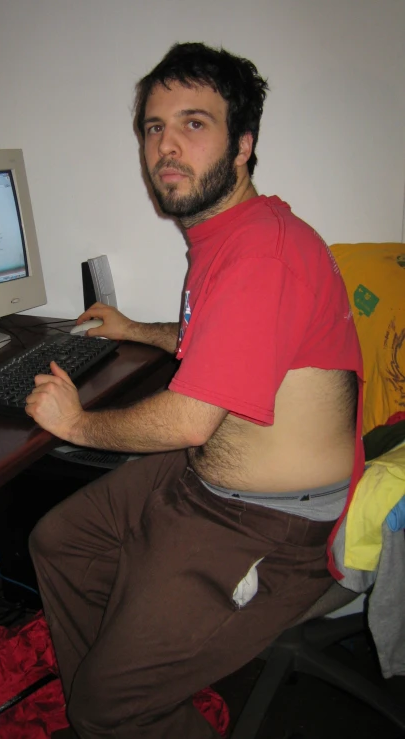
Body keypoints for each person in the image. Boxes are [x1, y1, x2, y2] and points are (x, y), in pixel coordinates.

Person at [25, 42, 364, 739]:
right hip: (208, 484)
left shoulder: (260, 250)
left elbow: (188, 420)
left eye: (193, 124)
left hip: (277, 525)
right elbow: (222, 348)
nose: (167, 147)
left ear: (243, 144)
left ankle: (114, 710)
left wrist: (78, 424)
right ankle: (118, 706)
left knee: (104, 704)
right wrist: (135, 328)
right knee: (61, 540)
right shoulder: (228, 234)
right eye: (154, 128)